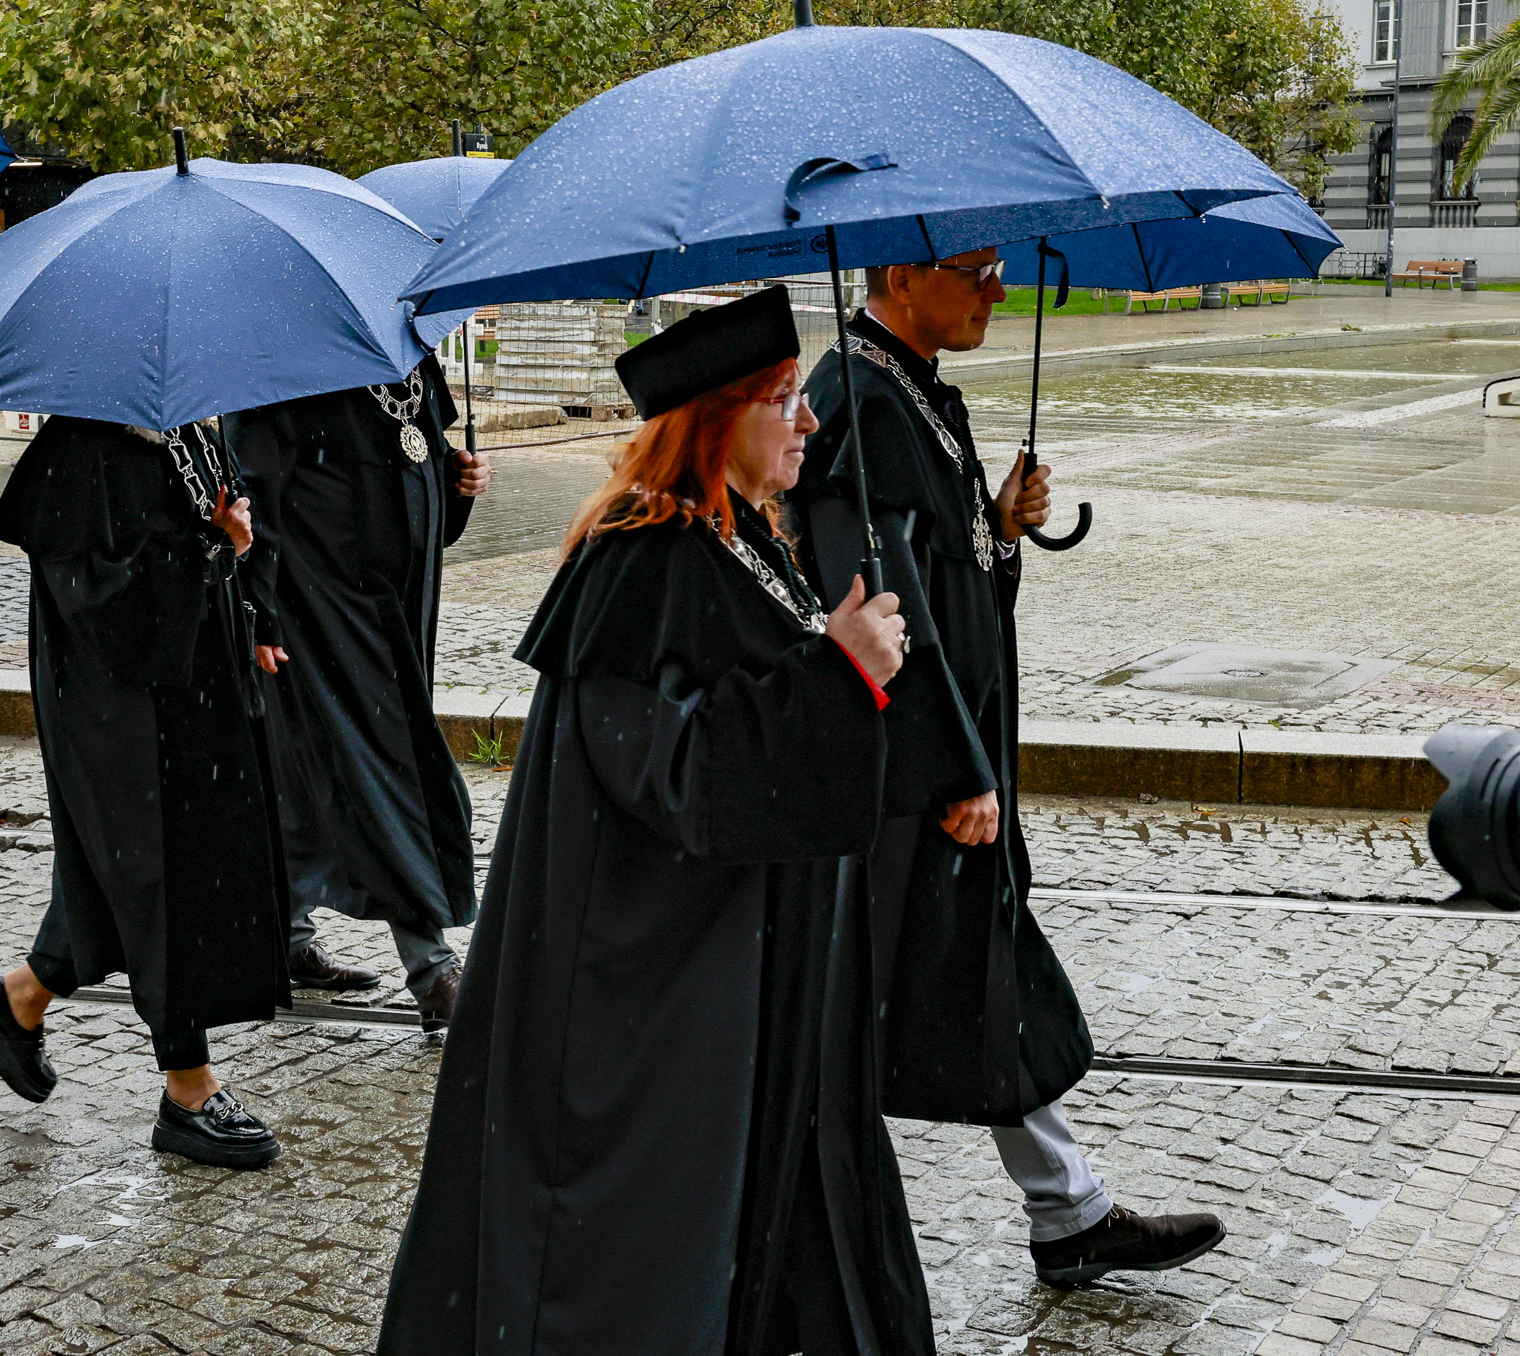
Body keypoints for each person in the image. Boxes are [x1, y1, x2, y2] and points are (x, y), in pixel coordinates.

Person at [379, 287, 927, 1355]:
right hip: (635, 1005)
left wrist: (838, 665)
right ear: (714, 420)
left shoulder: (742, 537)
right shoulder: (640, 555)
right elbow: (675, 777)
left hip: (722, 978)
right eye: (781, 398)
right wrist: (834, 675)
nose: (807, 419)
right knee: (624, 1262)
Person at [791, 252, 1226, 1288]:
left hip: (940, 757)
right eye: (978, 271)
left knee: (965, 975)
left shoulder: (906, 389)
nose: (997, 292)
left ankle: (1064, 1209)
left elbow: (941, 569)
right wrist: (952, 767)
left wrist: (994, 526)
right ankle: (784, 1227)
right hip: (907, 773)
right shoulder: (855, 396)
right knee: (866, 998)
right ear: (902, 273)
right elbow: (881, 604)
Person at [0, 414, 288, 1169]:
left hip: (196, 681)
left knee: (145, 863)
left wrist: (253, 606)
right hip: (118, 702)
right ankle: (187, 1086)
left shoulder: (194, 431)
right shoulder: (79, 451)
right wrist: (212, 547)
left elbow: (232, 532)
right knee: (150, 866)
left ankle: (18, 998)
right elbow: (104, 596)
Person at [226, 356, 489, 1032]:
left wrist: (457, 485)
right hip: (322, 604)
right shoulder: (279, 361)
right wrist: (259, 612)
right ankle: (433, 969)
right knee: (385, 771)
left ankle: (283, 939)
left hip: (399, 607)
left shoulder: (410, 356)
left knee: (322, 767)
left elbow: (419, 473)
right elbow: (258, 493)